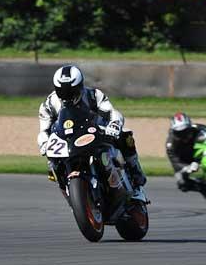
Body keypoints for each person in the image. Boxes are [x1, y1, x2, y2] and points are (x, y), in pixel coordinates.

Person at [37, 65, 147, 201]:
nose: (66, 96)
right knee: (52, 165)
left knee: (126, 137)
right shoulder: (48, 105)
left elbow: (112, 113)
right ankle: (72, 198)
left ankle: (137, 181)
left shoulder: (94, 95)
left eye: (70, 91)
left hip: (97, 132)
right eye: (62, 92)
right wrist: (44, 144)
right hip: (68, 140)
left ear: (80, 87)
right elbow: (44, 130)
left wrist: (114, 124)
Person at [166, 112, 206, 193]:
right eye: (179, 133)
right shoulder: (170, 145)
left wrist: (199, 159)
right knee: (182, 183)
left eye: (185, 131)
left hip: (201, 155)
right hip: (186, 163)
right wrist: (187, 168)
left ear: (190, 127)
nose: (183, 135)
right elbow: (176, 163)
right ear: (174, 132)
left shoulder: (200, 130)